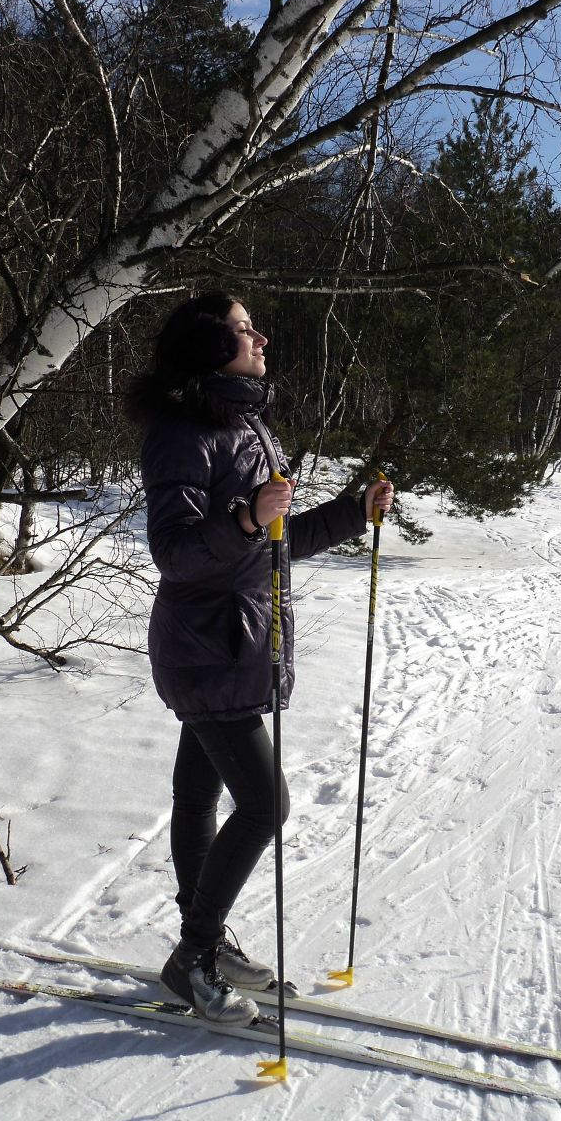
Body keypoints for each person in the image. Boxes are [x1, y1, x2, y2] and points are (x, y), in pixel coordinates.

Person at [127, 291, 394, 1025]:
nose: (262, 338)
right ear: (211, 346)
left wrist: (351, 512)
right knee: (265, 805)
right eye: (245, 330)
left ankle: (204, 943)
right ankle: (193, 957)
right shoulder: (183, 432)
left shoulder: (242, 426)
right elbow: (176, 552)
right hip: (208, 645)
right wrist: (245, 518)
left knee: (198, 797)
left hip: (233, 642)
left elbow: (274, 542)